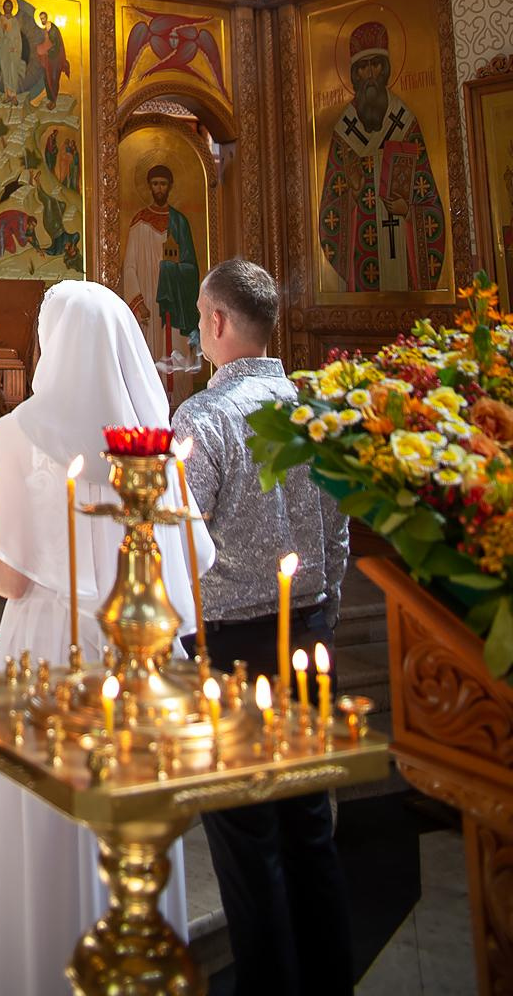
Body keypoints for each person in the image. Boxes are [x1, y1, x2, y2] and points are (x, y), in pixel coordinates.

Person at [0, 282, 213, 996]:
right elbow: (195, 560)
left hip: (49, 650)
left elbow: (13, 582)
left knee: (47, 824)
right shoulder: (151, 432)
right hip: (138, 652)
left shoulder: (20, 432)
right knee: (132, 825)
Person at [172, 258, 354, 996]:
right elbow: (339, 535)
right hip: (308, 635)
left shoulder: (204, 419)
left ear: (216, 322)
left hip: (235, 649)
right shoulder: (317, 410)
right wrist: (326, 614)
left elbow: (179, 542)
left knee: (248, 847)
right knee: (310, 828)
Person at [317, 19, 445, 292]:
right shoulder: (344, 131)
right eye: (362, 67)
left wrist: (408, 211)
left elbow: (430, 198)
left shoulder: (405, 122)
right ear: (355, 74)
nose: (370, 73)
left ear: (385, 69)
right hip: (363, 256)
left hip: (403, 248)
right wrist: (351, 193)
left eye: (375, 64)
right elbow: (329, 211)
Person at [121, 163, 200, 375]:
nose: (159, 189)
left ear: (170, 186)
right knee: (149, 354)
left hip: (175, 300)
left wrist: (173, 271)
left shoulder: (179, 222)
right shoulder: (139, 222)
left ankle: (179, 403)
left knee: (175, 349)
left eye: (163, 184)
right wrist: (138, 302)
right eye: (155, 184)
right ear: (149, 186)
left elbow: (191, 266)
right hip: (148, 298)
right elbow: (129, 267)